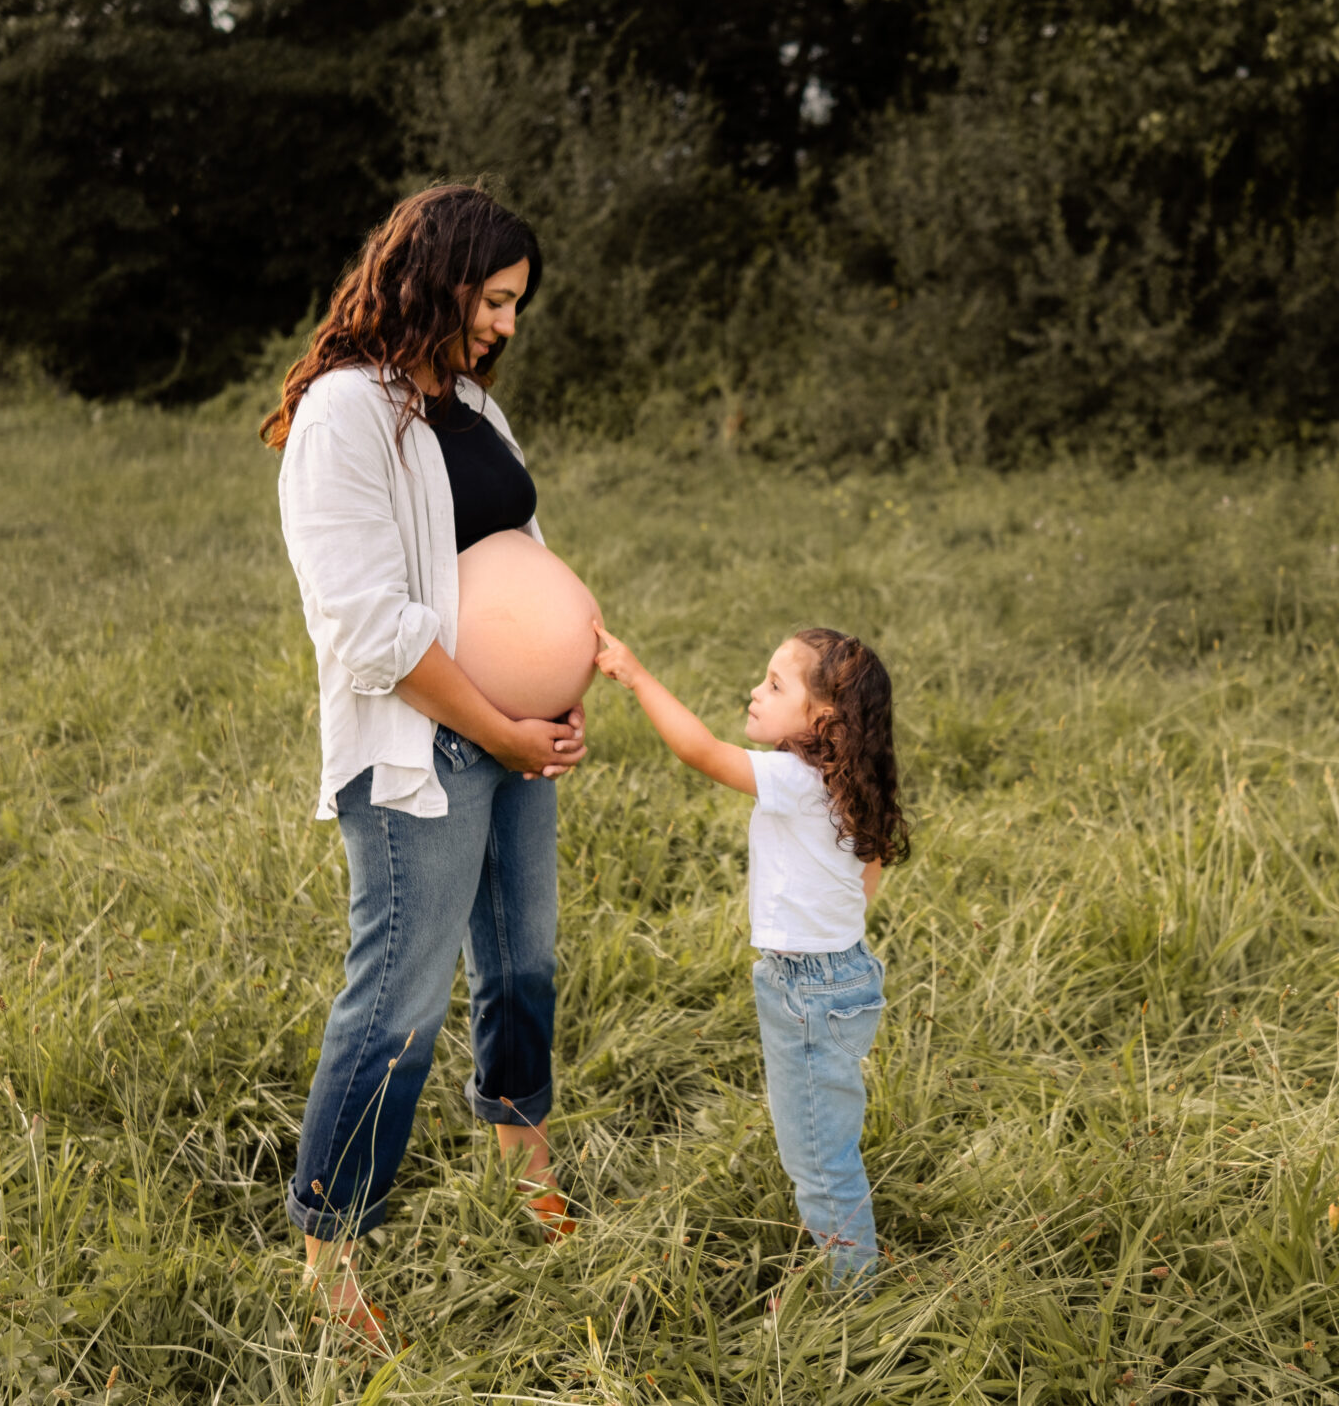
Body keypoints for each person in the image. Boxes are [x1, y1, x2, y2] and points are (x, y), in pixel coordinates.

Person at [260, 184, 587, 1341]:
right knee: (396, 1004)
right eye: (495, 299)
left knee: (523, 965)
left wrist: (555, 692)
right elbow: (365, 621)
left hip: (512, 734)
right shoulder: (345, 414)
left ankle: (521, 1156)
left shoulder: (472, 410)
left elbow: (518, 558)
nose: (505, 324)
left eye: (515, 306)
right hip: (422, 747)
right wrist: (496, 726)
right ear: (439, 277)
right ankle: (329, 1247)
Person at [589, 623, 909, 1293]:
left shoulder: (797, 780)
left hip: (807, 989)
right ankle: (845, 1261)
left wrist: (637, 676)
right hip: (839, 976)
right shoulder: (848, 782)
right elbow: (867, 872)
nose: (754, 692)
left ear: (822, 717)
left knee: (819, 1156)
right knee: (823, 1140)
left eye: (774, 684)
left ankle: (854, 1292)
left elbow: (701, 750)